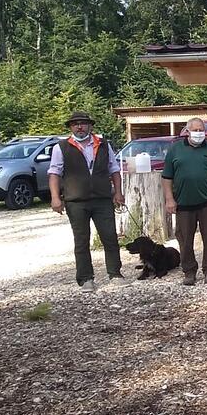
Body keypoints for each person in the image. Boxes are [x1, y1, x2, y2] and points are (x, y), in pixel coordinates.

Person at [48, 111, 128, 293]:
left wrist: (118, 193)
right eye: (75, 124)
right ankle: (86, 279)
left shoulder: (103, 144)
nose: (79, 127)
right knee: (81, 240)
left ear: (90, 126)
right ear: (70, 127)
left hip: (102, 199)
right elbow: (54, 173)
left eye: (83, 123)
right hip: (76, 201)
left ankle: (115, 274)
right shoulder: (61, 147)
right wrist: (55, 198)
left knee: (110, 237)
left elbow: (114, 169)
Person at [163, 117, 207, 285]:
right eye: (196, 130)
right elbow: (167, 177)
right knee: (185, 239)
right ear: (187, 131)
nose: (199, 133)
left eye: (201, 130)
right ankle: (189, 271)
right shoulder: (175, 149)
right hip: (184, 204)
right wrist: (169, 199)